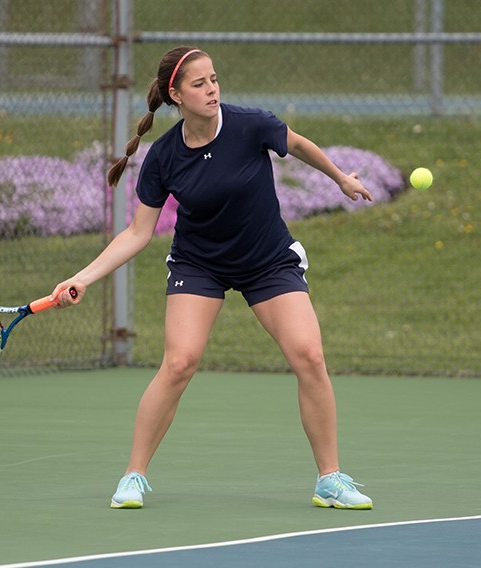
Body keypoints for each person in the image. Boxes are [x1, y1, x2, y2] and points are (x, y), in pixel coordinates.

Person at [49, 46, 373, 510]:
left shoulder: (250, 124)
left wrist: (340, 178)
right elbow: (138, 233)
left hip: (266, 259)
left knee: (309, 354)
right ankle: (133, 477)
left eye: (215, 79)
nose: (212, 89)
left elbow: (298, 144)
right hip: (198, 264)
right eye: (199, 84)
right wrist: (83, 277)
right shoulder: (163, 158)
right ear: (175, 95)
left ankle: (330, 479)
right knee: (179, 363)